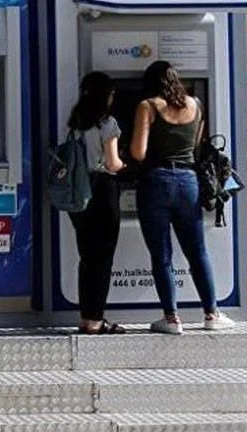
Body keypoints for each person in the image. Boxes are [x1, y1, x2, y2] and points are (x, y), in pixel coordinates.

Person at [131, 61, 235, 334]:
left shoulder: (147, 106)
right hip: (189, 183)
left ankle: (171, 319)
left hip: (156, 182)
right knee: (198, 251)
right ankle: (211, 314)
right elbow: (196, 146)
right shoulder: (196, 105)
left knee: (162, 254)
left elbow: (138, 152)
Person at [66, 72, 127, 334]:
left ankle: (85, 317)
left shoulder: (75, 123)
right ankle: (96, 320)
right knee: (103, 258)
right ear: (106, 96)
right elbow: (112, 163)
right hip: (102, 190)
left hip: (79, 192)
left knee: (87, 257)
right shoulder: (108, 124)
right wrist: (126, 164)